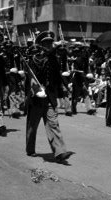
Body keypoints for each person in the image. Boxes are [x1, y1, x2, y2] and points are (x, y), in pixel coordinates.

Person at [24, 31, 74, 163]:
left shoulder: (53, 58)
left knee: (53, 123)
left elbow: (57, 74)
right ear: (40, 45)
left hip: (50, 96)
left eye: (50, 43)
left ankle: (60, 152)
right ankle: (30, 149)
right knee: (32, 126)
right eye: (46, 43)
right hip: (37, 96)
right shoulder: (35, 58)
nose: (49, 45)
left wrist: (63, 87)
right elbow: (32, 77)